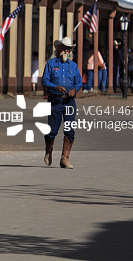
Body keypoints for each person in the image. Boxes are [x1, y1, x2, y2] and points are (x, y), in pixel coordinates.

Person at [41, 37, 82, 169]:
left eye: (68, 48)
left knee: (69, 130)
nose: (66, 50)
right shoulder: (51, 64)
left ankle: (65, 158)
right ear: (58, 48)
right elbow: (45, 80)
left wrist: (74, 90)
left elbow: (78, 82)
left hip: (69, 102)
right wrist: (55, 87)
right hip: (55, 101)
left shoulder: (73, 66)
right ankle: (49, 150)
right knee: (52, 130)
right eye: (63, 47)